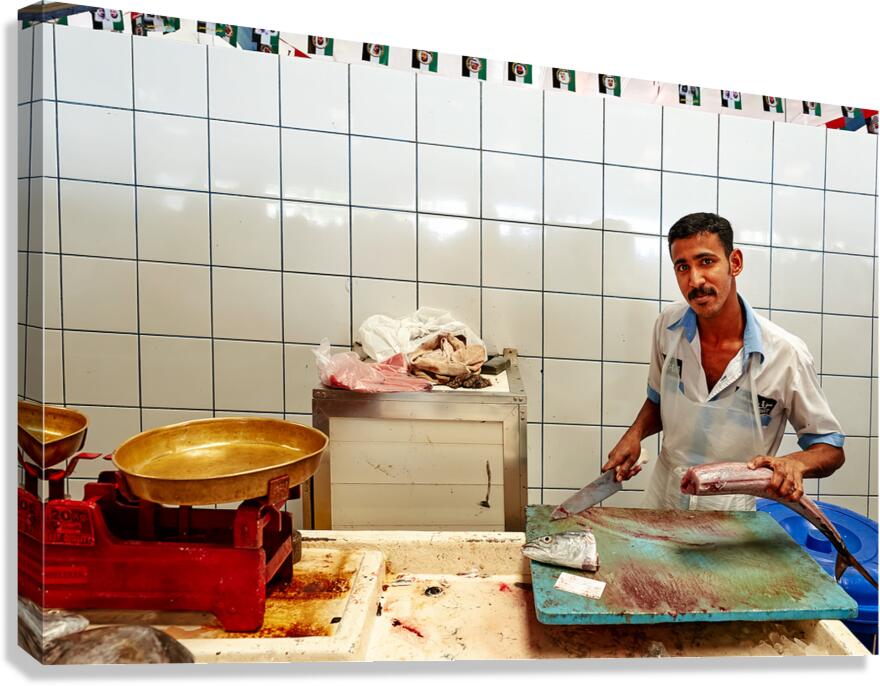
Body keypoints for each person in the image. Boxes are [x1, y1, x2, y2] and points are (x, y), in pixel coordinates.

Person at [603, 213, 845, 510]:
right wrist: (635, 434)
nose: (695, 280)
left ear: (735, 263)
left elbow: (830, 449)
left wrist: (794, 463)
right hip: (665, 499)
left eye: (706, 262)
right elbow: (657, 400)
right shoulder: (668, 328)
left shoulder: (785, 354)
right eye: (682, 267)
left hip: (735, 514)